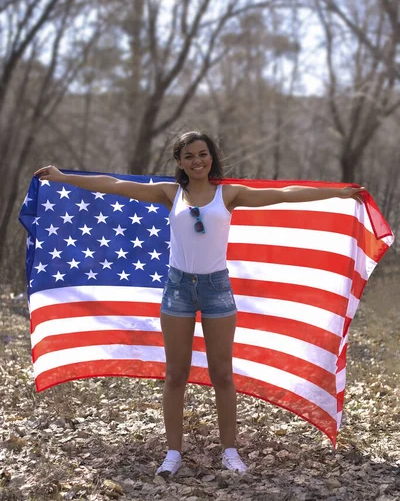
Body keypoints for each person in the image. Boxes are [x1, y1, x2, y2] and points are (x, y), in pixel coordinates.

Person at [34, 131, 365, 477]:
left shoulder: (229, 194)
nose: (197, 161)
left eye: (203, 154)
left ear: (212, 157)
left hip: (216, 290)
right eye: (189, 156)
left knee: (222, 374)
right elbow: (113, 185)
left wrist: (337, 193)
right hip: (177, 288)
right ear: (179, 162)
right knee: (176, 375)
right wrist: (62, 177)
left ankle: (230, 452)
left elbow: (282, 194)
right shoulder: (170, 193)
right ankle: (173, 454)